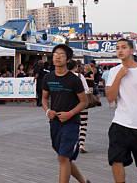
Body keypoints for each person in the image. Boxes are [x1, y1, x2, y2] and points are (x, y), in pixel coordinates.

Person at [106, 39, 137, 183]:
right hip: (120, 122)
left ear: (132, 51)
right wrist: (119, 76)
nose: (120, 50)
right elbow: (110, 97)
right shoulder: (114, 71)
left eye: (124, 47)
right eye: (117, 48)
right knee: (115, 159)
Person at [42, 44, 89, 183]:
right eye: (56, 54)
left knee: (63, 157)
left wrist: (70, 113)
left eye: (62, 55)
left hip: (71, 123)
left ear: (68, 59)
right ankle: (84, 181)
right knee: (64, 157)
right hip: (55, 123)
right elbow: (44, 98)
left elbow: (84, 102)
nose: (57, 57)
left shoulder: (74, 79)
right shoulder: (48, 77)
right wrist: (48, 111)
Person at [67, 60, 91, 154]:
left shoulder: (64, 77)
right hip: (82, 103)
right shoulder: (80, 76)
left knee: (72, 124)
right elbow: (87, 90)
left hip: (69, 105)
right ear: (76, 67)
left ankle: (72, 144)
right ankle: (81, 144)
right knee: (83, 123)